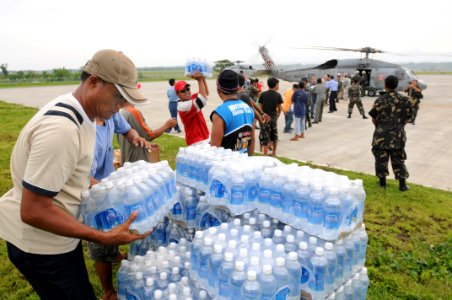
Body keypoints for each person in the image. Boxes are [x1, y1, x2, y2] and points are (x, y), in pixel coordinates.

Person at [0, 49, 149, 299]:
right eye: (118, 97)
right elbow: (33, 210)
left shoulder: (84, 115)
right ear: (93, 83)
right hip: (41, 247)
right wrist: (102, 236)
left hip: (58, 237)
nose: (122, 106)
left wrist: (106, 191)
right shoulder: (63, 130)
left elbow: (68, 176)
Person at [89, 112, 153, 300]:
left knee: (116, 226)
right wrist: (107, 189)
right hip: (93, 194)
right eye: (117, 99)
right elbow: (81, 179)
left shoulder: (111, 113)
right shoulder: (86, 132)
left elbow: (127, 130)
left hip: (109, 184)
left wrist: (136, 138)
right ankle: (108, 291)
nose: (120, 106)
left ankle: (114, 254)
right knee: (100, 240)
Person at [369, 75, 414, 191]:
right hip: (398, 135)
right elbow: (409, 117)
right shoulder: (406, 100)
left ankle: (382, 183)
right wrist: (399, 126)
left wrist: (380, 127)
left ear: (385, 85)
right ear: (397, 85)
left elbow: (373, 117)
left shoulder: (380, 100)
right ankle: (402, 185)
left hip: (381, 136)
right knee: (398, 159)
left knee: (381, 160)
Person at [210, 70, 255, 154]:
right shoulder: (249, 109)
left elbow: (214, 149)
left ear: (218, 90)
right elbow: (252, 140)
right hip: (243, 162)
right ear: (237, 88)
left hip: (226, 165)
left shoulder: (219, 113)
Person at [176, 72, 210, 146]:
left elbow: (206, 93)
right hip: (195, 141)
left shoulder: (191, 99)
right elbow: (202, 99)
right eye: (182, 91)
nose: (186, 92)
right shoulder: (182, 107)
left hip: (204, 137)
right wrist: (199, 80)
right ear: (177, 94)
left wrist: (202, 77)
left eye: (187, 89)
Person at [258, 77, 283, 156]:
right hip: (273, 119)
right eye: (278, 84)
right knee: (274, 136)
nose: (278, 86)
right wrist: (277, 117)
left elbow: (259, 107)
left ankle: (265, 154)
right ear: (275, 85)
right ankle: (274, 153)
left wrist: (261, 116)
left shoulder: (263, 94)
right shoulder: (278, 95)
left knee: (265, 137)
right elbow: (279, 109)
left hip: (265, 119)